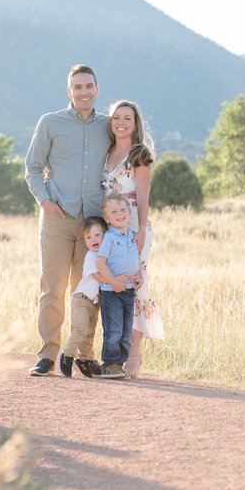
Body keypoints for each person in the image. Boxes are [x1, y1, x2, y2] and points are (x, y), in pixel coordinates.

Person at [25, 65, 109, 377]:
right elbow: (32, 166)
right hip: (58, 218)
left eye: (89, 86)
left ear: (97, 89)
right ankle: (47, 354)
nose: (84, 92)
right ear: (69, 91)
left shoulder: (108, 125)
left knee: (88, 289)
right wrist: (45, 201)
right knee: (53, 287)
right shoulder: (50, 123)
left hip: (94, 223)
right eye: (78, 87)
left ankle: (84, 354)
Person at [101, 99, 164, 378]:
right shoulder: (107, 153)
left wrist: (139, 232)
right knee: (114, 287)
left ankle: (134, 355)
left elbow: (143, 197)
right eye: (117, 117)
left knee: (136, 285)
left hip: (134, 225)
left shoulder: (140, 154)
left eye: (127, 118)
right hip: (110, 228)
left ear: (136, 123)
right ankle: (115, 351)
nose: (121, 122)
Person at [57, 216, 129, 378]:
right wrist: (115, 281)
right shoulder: (91, 256)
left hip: (95, 302)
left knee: (90, 333)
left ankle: (85, 359)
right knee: (81, 329)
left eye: (97, 235)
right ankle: (66, 355)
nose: (93, 239)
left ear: (106, 235)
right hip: (82, 299)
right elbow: (97, 276)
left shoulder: (107, 257)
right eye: (88, 237)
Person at [94, 193, 140, 379]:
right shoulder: (109, 238)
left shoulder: (133, 236)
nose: (120, 214)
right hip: (111, 292)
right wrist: (114, 283)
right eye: (114, 211)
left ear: (129, 212)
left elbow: (135, 261)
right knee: (114, 329)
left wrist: (139, 277)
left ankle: (118, 365)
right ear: (107, 218)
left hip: (129, 291)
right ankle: (109, 364)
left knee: (126, 331)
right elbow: (100, 264)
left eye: (123, 210)